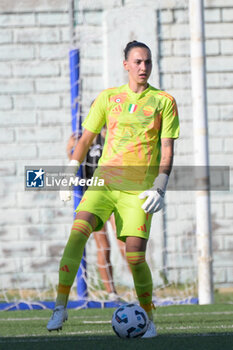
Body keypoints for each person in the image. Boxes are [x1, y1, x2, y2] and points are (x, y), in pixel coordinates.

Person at [47, 40, 179, 337]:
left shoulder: (164, 101)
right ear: (126, 65)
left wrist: (160, 186)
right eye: (137, 62)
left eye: (147, 62)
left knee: (134, 257)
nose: (143, 67)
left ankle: (148, 316)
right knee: (77, 233)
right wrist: (69, 172)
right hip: (104, 184)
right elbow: (84, 140)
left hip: (138, 190)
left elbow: (168, 150)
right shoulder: (107, 98)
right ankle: (60, 306)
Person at [66, 132, 126, 299]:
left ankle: (138, 284)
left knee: (124, 241)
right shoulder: (86, 140)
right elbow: (75, 164)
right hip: (93, 197)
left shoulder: (114, 136)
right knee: (103, 245)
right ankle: (111, 292)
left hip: (113, 195)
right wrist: (69, 149)